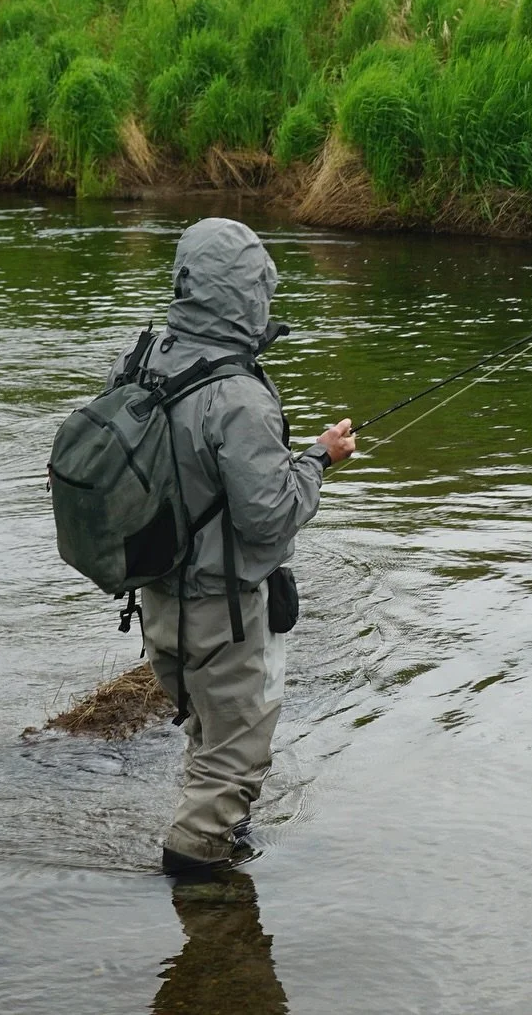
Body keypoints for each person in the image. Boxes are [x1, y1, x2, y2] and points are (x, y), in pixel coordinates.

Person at [110, 217, 355, 875]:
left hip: (158, 604)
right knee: (237, 756)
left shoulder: (144, 361)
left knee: (207, 735)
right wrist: (319, 460)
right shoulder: (238, 395)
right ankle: (198, 885)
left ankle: (216, 854)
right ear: (245, 293)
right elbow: (268, 516)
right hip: (220, 613)